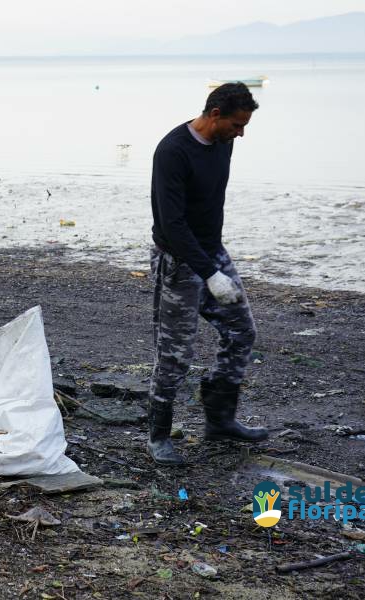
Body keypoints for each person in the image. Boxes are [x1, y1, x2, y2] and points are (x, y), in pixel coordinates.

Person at [147, 82, 268, 466]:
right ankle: (158, 437)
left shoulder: (222, 142)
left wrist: (216, 265)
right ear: (214, 114)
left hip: (213, 253)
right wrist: (209, 274)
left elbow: (210, 204)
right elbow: (172, 223)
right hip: (178, 263)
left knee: (241, 331)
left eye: (244, 126)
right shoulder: (172, 152)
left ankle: (220, 420)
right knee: (175, 354)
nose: (241, 134)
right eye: (236, 124)